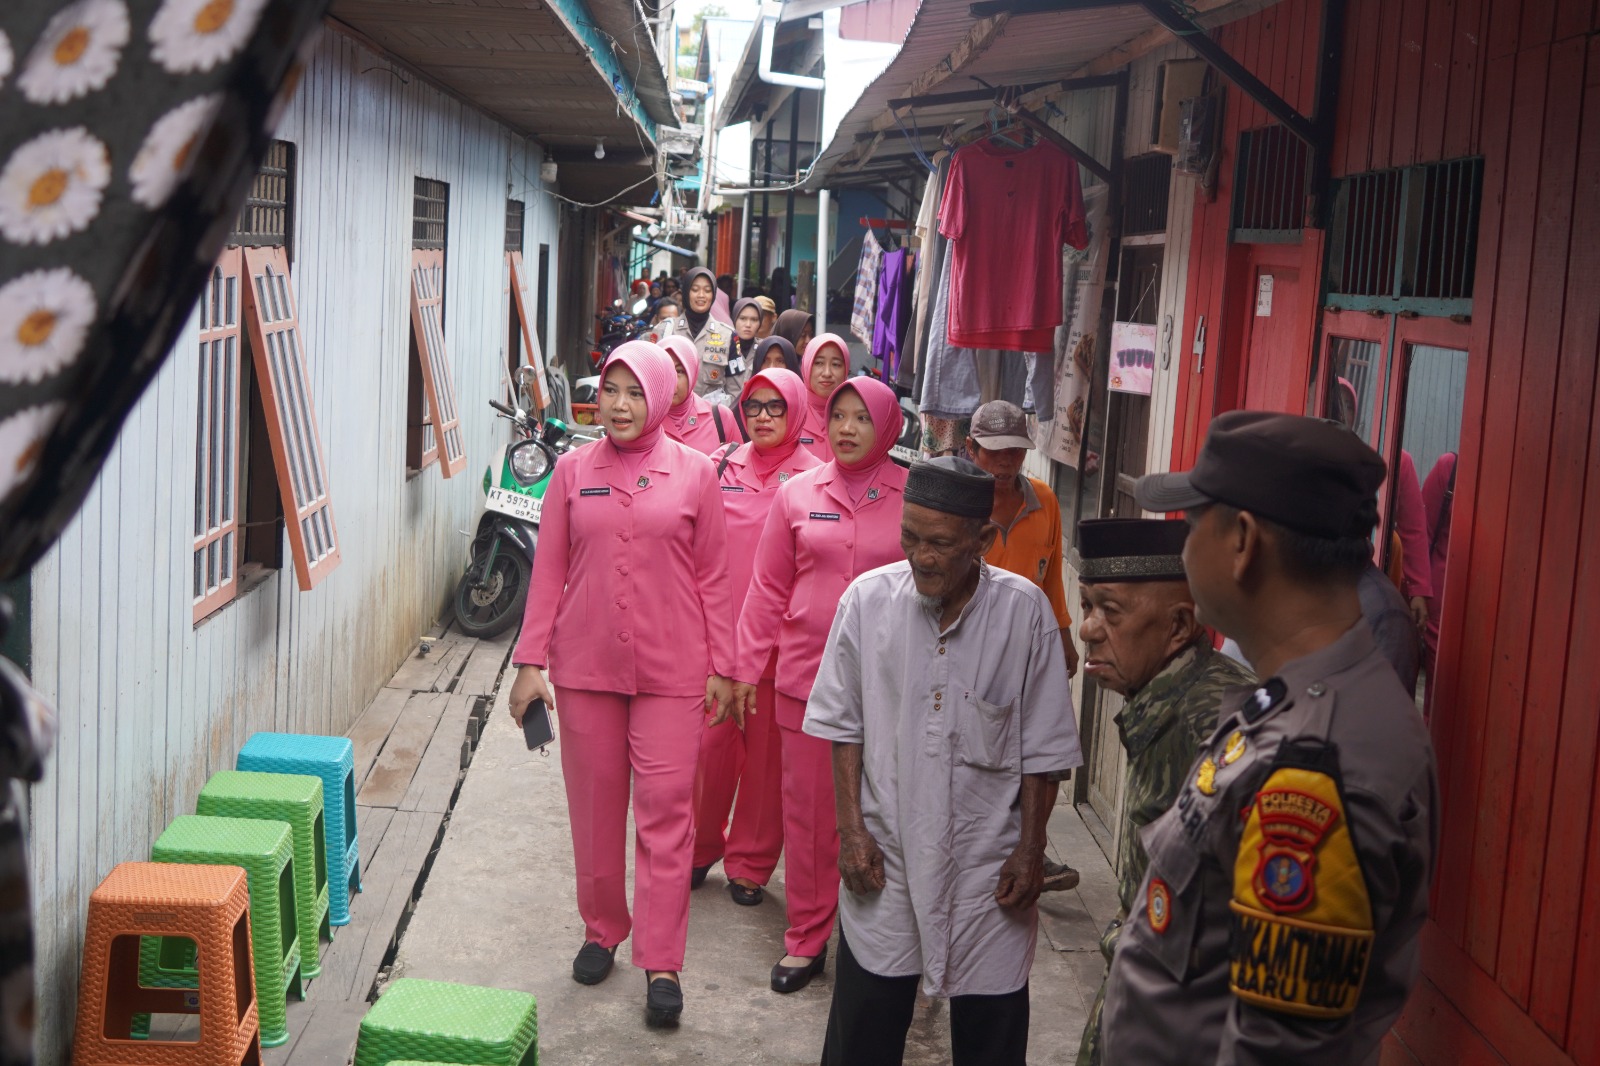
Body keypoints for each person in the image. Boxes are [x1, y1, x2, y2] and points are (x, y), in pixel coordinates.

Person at [1102, 411, 1438, 1065]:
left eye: (1194, 522)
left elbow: (1275, 1052)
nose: (1183, 544)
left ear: (1243, 541)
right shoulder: (1301, 698)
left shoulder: (1317, 766)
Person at [806, 456, 1082, 1066]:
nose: (921, 557)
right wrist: (852, 831)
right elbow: (842, 725)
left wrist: (1031, 848)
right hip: (888, 853)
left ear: (982, 541)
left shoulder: (1025, 612)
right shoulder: (867, 602)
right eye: (910, 538)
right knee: (865, 1028)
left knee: (991, 1030)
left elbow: (1044, 747)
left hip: (988, 863)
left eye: (939, 543)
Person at [507, 340, 734, 1030]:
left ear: (665, 396)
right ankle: (603, 927)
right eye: (610, 390)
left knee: (667, 816)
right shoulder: (573, 472)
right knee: (596, 810)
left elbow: (716, 577)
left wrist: (724, 667)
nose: (621, 405)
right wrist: (528, 663)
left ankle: (661, 960)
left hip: (673, 672)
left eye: (637, 391)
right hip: (587, 669)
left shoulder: (697, 473)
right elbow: (548, 572)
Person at [732, 376, 909, 994]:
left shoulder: (914, 497)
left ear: (888, 425)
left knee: (886, 816)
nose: (848, 429)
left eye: (863, 417)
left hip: (892, 686)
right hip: (804, 680)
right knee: (808, 820)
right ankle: (807, 940)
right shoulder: (797, 494)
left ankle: (882, 945)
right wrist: (744, 668)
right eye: (839, 417)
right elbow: (767, 588)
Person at [1069, 518, 1256, 1066]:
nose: (1087, 630)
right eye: (1085, 606)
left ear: (1178, 626)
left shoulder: (1211, 726)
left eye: (1111, 611)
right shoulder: (1167, 699)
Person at [693, 367, 824, 906]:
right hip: (717, 638)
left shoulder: (817, 476)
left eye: (776, 406)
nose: (764, 416)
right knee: (707, 750)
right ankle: (700, 847)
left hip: (779, 641)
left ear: (795, 411)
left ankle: (749, 864)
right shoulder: (718, 465)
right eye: (754, 407)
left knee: (768, 762)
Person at [962, 399, 1082, 892]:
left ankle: (1032, 846)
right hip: (973, 647)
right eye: (994, 451)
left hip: (1032, 646)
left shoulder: (1044, 500)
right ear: (971, 450)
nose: (1006, 460)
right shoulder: (961, 503)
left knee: (1040, 751)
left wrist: (1064, 636)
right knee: (980, 750)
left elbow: (1051, 577)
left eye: (1014, 449)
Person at [659, 336, 744, 455]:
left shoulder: (719, 417)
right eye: (665, 369)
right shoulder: (644, 419)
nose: (672, 380)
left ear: (692, 373)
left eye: (679, 371)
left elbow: (737, 467)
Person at [675, 267, 740, 401]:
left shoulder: (729, 336)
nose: (701, 295)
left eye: (707, 290)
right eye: (695, 289)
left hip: (710, 418)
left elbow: (735, 390)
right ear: (686, 292)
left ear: (714, 294)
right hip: (670, 417)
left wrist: (720, 416)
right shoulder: (666, 330)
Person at [797, 334, 850, 461]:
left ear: (846, 369)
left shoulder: (857, 415)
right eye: (819, 363)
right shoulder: (790, 412)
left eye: (836, 364)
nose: (827, 373)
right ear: (807, 365)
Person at [731, 297, 763, 373]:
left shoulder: (763, 349)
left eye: (754, 320)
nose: (748, 325)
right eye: (743, 318)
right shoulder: (725, 346)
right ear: (734, 319)